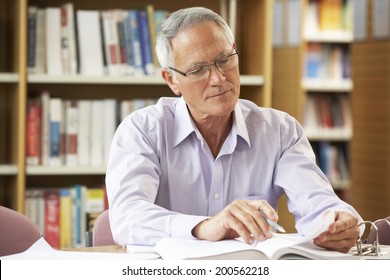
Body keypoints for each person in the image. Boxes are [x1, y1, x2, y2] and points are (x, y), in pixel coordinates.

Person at [106, 7, 362, 253]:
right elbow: (127, 217)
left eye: (224, 60)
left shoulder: (280, 131)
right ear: (172, 80)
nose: (219, 78)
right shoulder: (142, 131)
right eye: (197, 70)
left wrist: (337, 221)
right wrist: (205, 226)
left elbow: (317, 203)